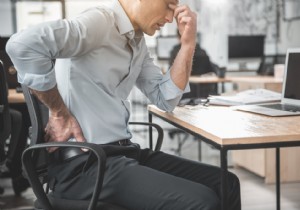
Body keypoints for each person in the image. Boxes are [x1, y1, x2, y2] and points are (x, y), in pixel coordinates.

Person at [6, 0, 241, 209]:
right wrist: (58, 112)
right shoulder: (100, 22)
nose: (171, 18)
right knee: (203, 202)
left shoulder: (137, 43)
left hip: (121, 153)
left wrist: (188, 44)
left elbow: (166, 98)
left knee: (227, 183)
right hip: (86, 165)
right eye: (168, 5)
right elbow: (22, 45)